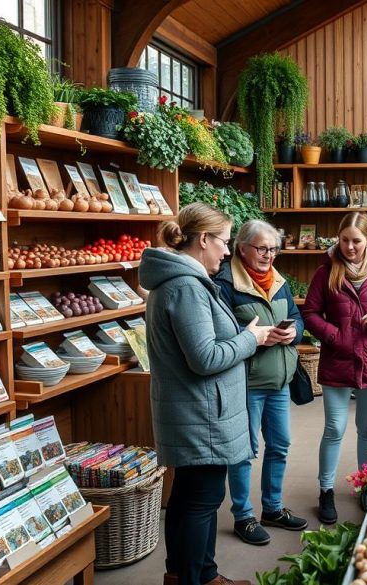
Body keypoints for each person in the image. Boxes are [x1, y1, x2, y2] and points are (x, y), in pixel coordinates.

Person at [140, 203, 272, 585]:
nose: (227, 251)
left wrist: (241, 336)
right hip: (202, 416)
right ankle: (193, 578)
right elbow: (205, 357)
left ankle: (195, 574)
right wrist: (250, 338)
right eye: (224, 242)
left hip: (197, 411)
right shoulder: (185, 287)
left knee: (189, 500)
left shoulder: (184, 282)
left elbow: (203, 346)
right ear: (203, 240)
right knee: (201, 501)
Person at [301, 211, 367, 524]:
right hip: (337, 359)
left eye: (356, 241)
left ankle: (366, 484)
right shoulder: (326, 272)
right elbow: (310, 313)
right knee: (334, 428)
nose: (349, 247)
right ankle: (326, 491)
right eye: (344, 240)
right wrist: (335, 335)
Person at [214, 219, 308, 546]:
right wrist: (253, 339)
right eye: (262, 248)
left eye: (273, 249)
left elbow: (296, 316)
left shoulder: (278, 281)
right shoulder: (225, 284)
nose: (269, 255)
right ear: (242, 248)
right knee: (244, 451)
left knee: (280, 445)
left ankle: (272, 508)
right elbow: (220, 335)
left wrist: (294, 331)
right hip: (247, 383)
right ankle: (244, 516)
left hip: (279, 380)